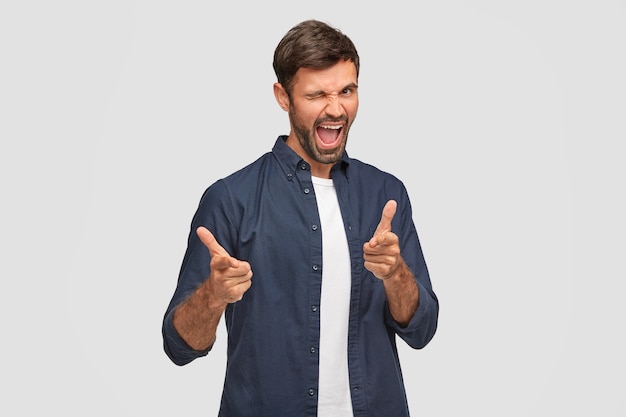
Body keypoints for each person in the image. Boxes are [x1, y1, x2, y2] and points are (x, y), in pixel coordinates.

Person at [162, 19, 439, 417]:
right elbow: (179, 345)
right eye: (317, 94)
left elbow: (422, 331)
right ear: (283, 96)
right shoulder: (230, 199)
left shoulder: (386, 195)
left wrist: (396, 274)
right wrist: (214, 295)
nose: (335, 108)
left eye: (347, 90)